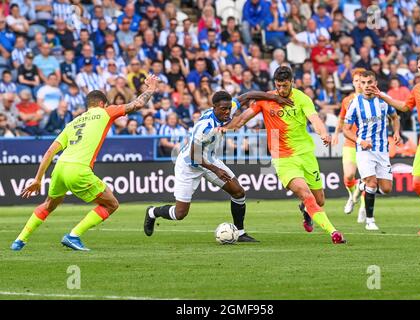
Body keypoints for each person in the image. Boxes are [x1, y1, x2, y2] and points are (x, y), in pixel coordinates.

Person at [11, 74, 160, 252]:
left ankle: (19, 241)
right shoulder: (105, 112)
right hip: (78, 169)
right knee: (111, 204)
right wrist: (151, 88)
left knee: (48, 204)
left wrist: (37, 179)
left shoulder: (72, 123)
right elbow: (137, 104)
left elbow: (50, 152)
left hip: (60, 167)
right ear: (102, 104)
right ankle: (73, 235)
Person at [143, 90, 293, 242]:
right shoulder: (204, 126)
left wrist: (274, 97)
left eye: (229, 108)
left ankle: (240, 233)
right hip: (189, 165)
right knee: (180, 213)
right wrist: (216, 170)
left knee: (238, 192)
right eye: (223, 109)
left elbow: (248, 95)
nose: (227, 112)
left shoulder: (226, 108)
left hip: (209, 159)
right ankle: (152, 212)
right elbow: (194, 155)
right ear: (214, 107)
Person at [227, 66, 346, 244]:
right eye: (278, 86)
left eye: (285, 86)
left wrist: (323, 134)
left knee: (319, 200)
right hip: (282, 157)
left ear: (292, 82)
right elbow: (243, 119)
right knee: (306, 195)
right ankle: (334, 232)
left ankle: (306, 211)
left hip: (305, 154)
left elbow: (314, 119)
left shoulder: (302, 98)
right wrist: (222, 128)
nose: (281, 90)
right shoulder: (265, 100)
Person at [369, 52, 420, 234]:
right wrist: (382, 96)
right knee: (417, 184)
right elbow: (405, 107)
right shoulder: (417, 89)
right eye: (419, 67)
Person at [343, 70, 401, 231]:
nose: (367, 86)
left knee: (386, 189)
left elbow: (395, 117)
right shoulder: (355, 103)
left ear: (375, 83)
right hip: (364, 151)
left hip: (382, 150)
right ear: (359, 85)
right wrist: (361, 141)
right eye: (363, 83)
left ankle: (361, 187)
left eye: (370, 82)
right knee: (372, 183)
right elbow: (346, 129)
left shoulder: (383, 100)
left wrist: (396, 132)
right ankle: (370, 220)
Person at [332, 68, 366, 219]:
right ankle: (353, 198)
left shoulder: (372, 99)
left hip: (366, 144)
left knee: (367, 179)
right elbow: (341, 118)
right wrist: (335, 134)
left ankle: (364, 208)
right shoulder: (347, 100)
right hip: (350, 143)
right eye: (357, 81)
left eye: (362, 81)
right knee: (349, 176)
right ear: (353, 83)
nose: (359, 84)